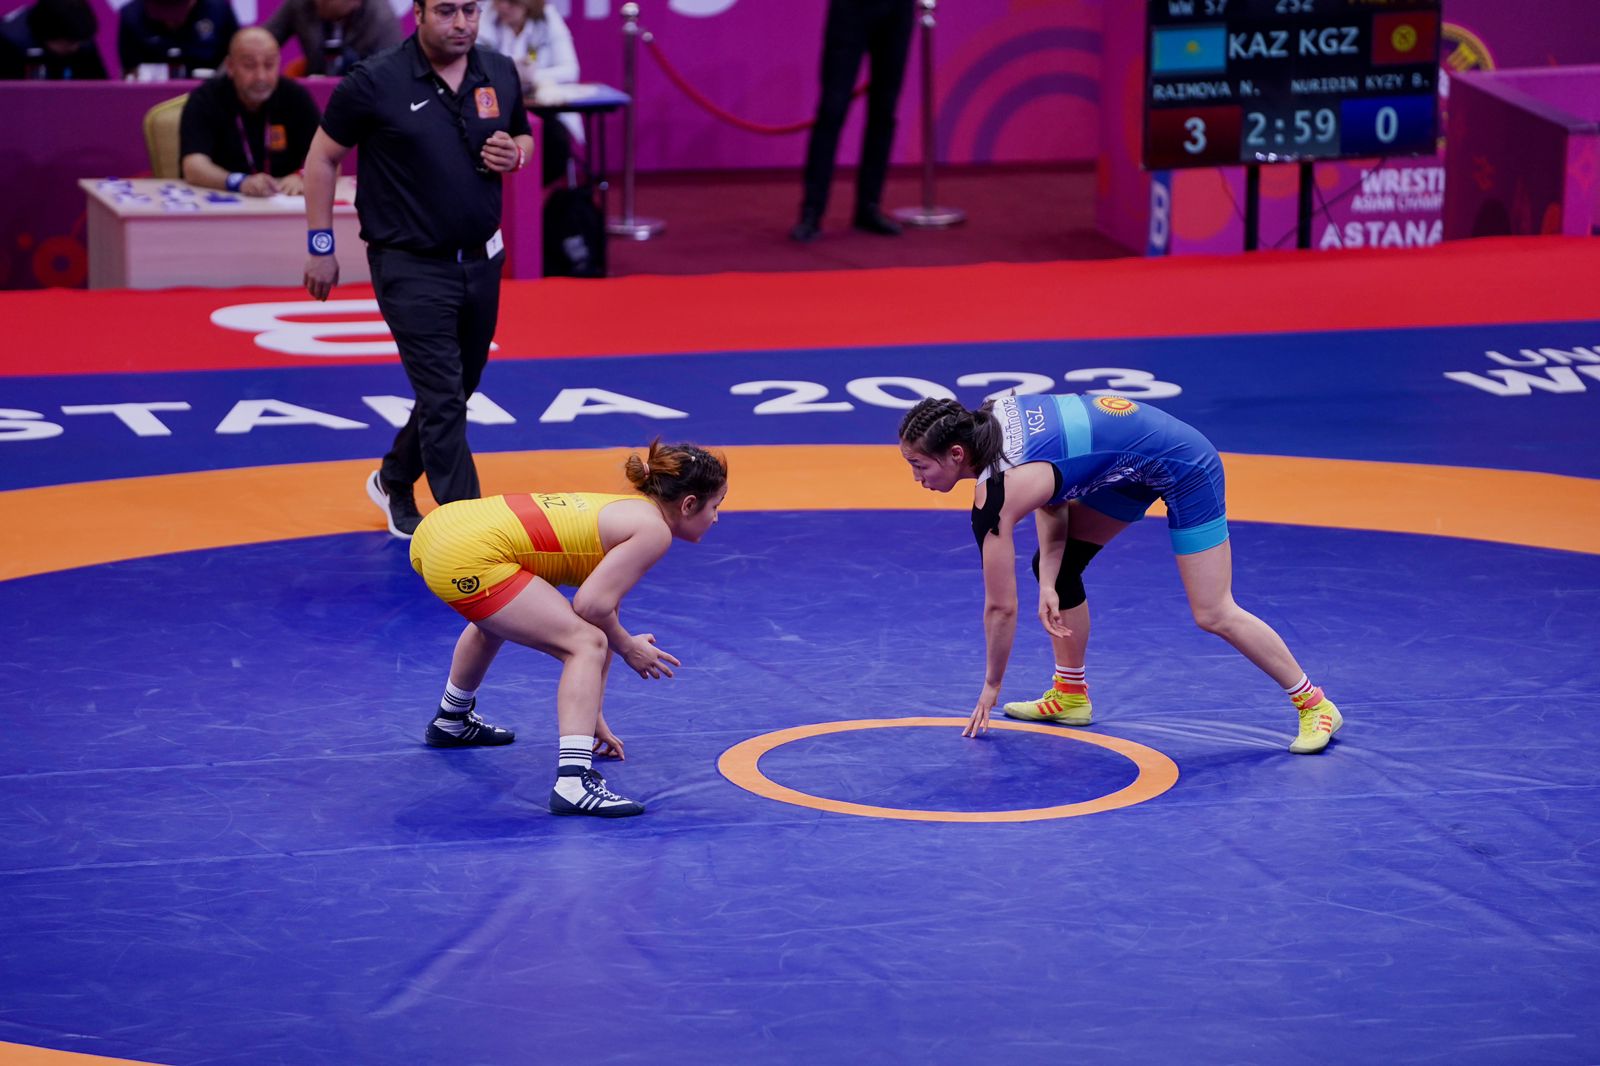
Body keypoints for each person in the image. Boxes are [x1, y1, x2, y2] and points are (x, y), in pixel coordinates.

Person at [897, 394, 1344, 754]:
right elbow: (1054, 495)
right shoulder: (991, 418)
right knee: (1058, 569)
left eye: (919, 465)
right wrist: (1049, 581)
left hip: (1185, 466)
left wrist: (992, 685)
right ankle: (1071, 695)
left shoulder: (995, 494)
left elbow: (1001, 608)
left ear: (957, 454)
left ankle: (1315, 704)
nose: (916, 478)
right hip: (1132, 464)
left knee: (1213, 611)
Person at [301, 0, 534, 538]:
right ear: (419, 13)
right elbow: (321, 158)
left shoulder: (498, 70)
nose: (462, 23)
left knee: (459, 386)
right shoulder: (374, 80)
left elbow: (522, 134)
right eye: (447, 11)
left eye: (470, 10)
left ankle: (394, 478)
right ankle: (470, 530)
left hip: (483, 260)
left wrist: (516, 154)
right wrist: (320, 244)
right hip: (409, 264)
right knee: (444, 396)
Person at [408, 441, 729, 817]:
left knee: (497, 620)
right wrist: (629, 647)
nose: (716, 518)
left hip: (442, 528)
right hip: (466, 553)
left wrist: (593, 718)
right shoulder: (653, 531)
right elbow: (591, 608)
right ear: (688, 504)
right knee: (585, 644)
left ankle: (452, 718)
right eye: (715, 506)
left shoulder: (627, 510)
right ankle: (573, 782)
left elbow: (602, 612)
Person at [789, 0, 914, 243]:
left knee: (884, 110)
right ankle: (811, 213)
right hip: (851, 10)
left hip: (897, 10)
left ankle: (869, 207)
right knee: (832, 111)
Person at [179, 29, 320, 197]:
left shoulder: (295, 96)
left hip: (283, 199)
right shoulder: (205, 98)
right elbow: (193, 166)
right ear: (230, 67)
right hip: (224, 198)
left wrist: (303, 175)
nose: (261, 76)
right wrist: (239, 182)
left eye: (269, 65)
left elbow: (328, 158)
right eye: (249, 65)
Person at [476, 0, 581, 186]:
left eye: (511, 2)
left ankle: (535, 194)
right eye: (499, 1)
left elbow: (570, 70)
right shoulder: (485, 15)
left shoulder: (547, 18)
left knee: (554, 141)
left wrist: (533, 76)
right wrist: (512, 74)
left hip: (543, 109)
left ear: (528, 3)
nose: (503, 7)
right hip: (498, 107)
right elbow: (475, 66)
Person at [264, 0, 400, 78]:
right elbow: (261, 41)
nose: (319, 2)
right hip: (312, 95)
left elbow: (392, 76)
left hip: (364, 97)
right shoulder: (302, 4)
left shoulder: (380, 19)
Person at [117, 0, 238, 78]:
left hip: (211, 95)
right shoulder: (131, 16)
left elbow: (235, 59)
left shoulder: (219, 11)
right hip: (150, 95)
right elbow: (130, 71)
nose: (170, 20)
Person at [0, 0, 108, 80]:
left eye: (77, 43)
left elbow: (96, 86)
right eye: (68, 43)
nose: (75, 48)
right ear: (46, 34)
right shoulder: (9, 42)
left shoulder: (80, 36)